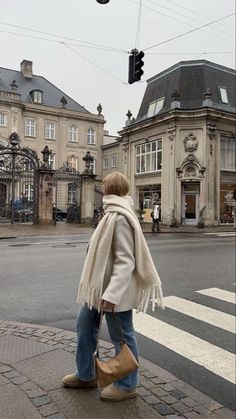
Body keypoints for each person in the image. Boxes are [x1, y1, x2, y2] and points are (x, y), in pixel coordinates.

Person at [63, 172, 164, 401]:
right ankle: (86, 375)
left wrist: (112, 294)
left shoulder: (120, 217)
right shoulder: (110, 214)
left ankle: (128, 384)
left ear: (108, 190)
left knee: (122, 336)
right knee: (85, 325)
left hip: (113, 292)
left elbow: (126, 261)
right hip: (98, 288)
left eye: (104, 188)